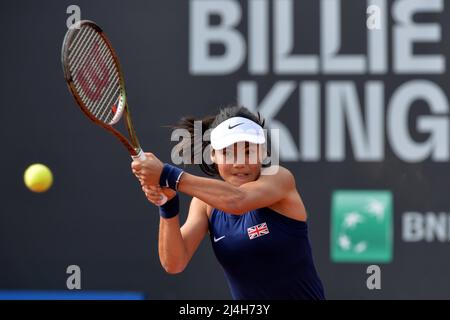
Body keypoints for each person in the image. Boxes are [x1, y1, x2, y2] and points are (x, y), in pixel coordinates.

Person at [131, 105, 325, 300]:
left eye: (248, 151)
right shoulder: (204, 204)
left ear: (263, 153)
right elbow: (174, 263)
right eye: (229, 153)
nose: (239, 162)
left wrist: (167, 174)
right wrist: (167, 204)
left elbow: (238, 200)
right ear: (213, 155)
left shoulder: (280, 179)